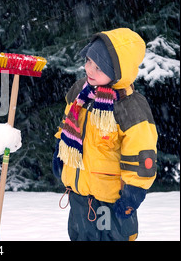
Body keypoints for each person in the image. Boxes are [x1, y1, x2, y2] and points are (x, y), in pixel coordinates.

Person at [53, 28, 158, 241]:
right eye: (89, 60)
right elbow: (66, 126)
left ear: (118, 72)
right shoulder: (79, 92)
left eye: (99, 66)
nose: (89, 69)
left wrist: (133, 193)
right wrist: (60, 152)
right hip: (80, 196)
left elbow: (142, 152)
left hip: (112, 201)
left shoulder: (130, 107)